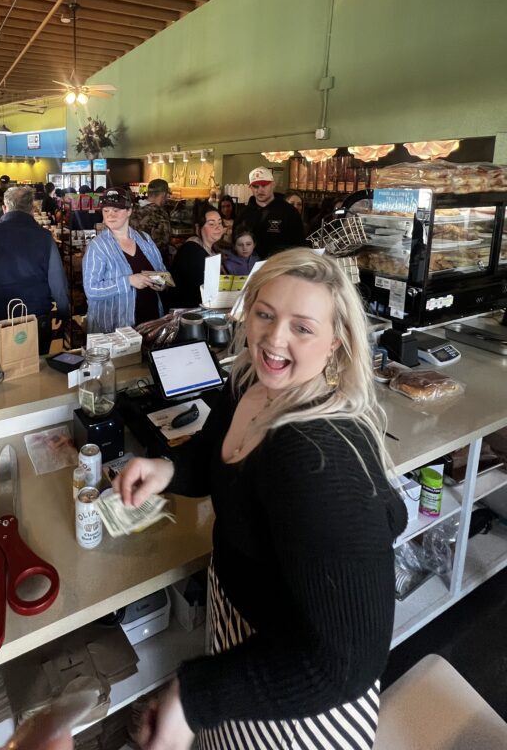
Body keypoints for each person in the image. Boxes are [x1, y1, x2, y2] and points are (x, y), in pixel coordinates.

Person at [115, 248, 406, 750]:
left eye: (302, 328)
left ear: (335, 343)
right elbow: (218, 453)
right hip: (239, 626)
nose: (274, 339)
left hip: (299, 696)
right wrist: (170, 469)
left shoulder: (315, 458)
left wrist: (195, 699)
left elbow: (345, 666)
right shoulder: (251, 378)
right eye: (265, 314)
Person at [0, 185, 69, 354]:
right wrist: (63, 311)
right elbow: (58, 283)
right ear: (32, 210)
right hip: (37, 315)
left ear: (4, 208)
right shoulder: (44, 237)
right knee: (37, 366)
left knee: (3, 367)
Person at [82, 187, 167, 333]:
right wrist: (128, 281)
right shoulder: (97, 247)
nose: (110, 215)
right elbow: (91, 290)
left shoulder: (145, 239)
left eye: (116, 210)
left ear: (129, 211)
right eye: (106, 210)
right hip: (116, 330)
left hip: (152, 324)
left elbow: (163, 273)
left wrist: (162, 283)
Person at [234, 167, 305, 259]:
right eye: (256, 186)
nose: (260, 190)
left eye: (264, 185)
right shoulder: (243, 214)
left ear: (273, 185)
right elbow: (235, 242)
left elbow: (299, 244)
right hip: (249, 264)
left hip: (280, 263)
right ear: (251, 188)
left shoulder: (289, 212)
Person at [169, 203, 224, 308]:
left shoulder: (212, 248)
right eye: (211, 224)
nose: (218, 227)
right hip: (187, 311)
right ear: (198, 227)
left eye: (220, 223)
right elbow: (195, 290)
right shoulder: (191, 251)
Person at [131, 178, 172, 261]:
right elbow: (164, 241)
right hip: (152, 260)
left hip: (133, 257)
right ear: (163, 194)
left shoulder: (133, 210)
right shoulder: (159, 213)